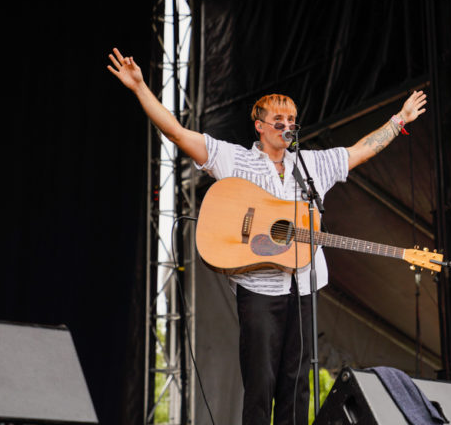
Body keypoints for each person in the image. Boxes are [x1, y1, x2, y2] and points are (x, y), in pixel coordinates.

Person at [107, 47, 426, 425]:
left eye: (291, 119)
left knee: (299, 385)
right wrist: (140, 87)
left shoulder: (311, 165)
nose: (287, 125)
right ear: (259, 125)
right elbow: (176, 132)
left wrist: (399, 120)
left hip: (303, 288)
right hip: (257, 291)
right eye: (278, 120)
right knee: (260, 386)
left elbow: (360, 151)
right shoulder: (234, 159)